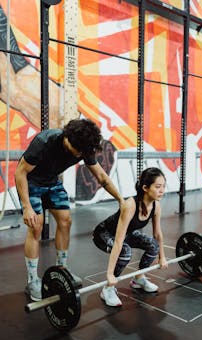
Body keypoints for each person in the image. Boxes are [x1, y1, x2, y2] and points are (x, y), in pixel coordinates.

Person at [15, 118, 125, 301]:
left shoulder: (84, 148)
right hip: (31, 182)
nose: (80, 155)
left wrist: (121, 199)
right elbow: (21, 172)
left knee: (65, 221)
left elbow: (102, 177)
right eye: (78, 151)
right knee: (36, 225)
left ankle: (62, 270)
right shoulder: (44, 142)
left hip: (51, 182)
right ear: (68, 138)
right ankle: (32, 281)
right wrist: (27, 207)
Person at [93, 167, 168, 307]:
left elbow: (157, 234)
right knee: (125, 251)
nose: (162, 190)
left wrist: (162, 256)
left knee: (153, 246)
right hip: (104, 233)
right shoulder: (130, 205)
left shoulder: (156, 206)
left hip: (126, 233)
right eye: (158, 186)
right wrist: (110, 275)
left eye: (164, 186)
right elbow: (118, 241)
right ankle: (108, 288)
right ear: (145, 187)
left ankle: (139, 278)